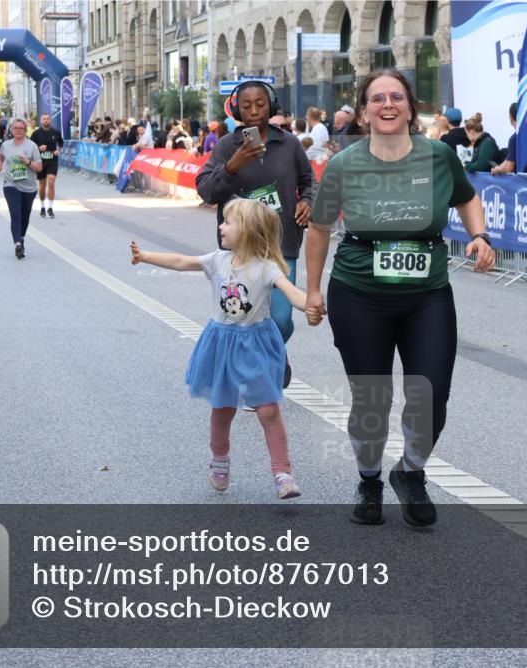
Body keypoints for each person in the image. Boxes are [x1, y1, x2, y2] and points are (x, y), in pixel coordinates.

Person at [305, 69, 495, 528]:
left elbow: (467, 198)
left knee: (432, 395)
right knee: (372, 399)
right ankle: (369, 480)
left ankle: (410, 472)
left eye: (396, 97)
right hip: (359, 293)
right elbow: (319, 228)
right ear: (364, 111)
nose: (387, 104)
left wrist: (480, 236)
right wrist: (311, 290)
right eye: (377, 98)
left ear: (410, 107)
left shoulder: (438, 156)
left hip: (427, 294)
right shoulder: (345, 164)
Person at [129, 198, 314, 499]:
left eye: (228, 222)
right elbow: (181, 262)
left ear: (249, 230)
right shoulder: (218, 260)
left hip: (256, 345)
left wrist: (312, 305)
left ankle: (282, 473)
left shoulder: (266, 267)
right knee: (223, 408)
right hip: (222, 344)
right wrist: (145, 256)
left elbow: (292, 293)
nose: (221, 226)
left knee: (268, 409)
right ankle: (219, 461)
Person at [196, 81, 315, 389]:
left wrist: (307, 201)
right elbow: (206, 190)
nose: (253, 111)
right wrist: (233, 165)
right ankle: (258, 376)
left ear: (271, 105)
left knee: (281, 319)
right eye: (246, 106)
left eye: (260, 104)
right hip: (241, 251)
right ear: (236, 110)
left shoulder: (289, 144)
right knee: (246, 319)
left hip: (281, 244)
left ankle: (273, 351)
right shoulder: (226, 146)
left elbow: (308, 181)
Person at [0, 118, 43, 259]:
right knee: (15, 214)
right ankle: (18, 244)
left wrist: (27, 162)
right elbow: (0, 156)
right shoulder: (6, 145)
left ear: (25, 130)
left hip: (29, 187)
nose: (18, 130)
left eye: (21, 128)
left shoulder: (32, 146)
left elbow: (39, 167)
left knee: (24, 217)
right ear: (11, 130)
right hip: (11, 184)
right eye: (16, 128)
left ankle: (21, 238)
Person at [491, 102, 527, 176]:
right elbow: (509, 159)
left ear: (511, 118)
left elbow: (509, 167)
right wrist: (499, 167)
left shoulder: (515, 139)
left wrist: (499, 170)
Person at [30, 113, 64, 219]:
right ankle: (42, 206)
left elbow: (61, 142)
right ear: (41, 121)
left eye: (48, 119)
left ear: (50, 120)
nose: (46, 121)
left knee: (51, 182)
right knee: (42, 185)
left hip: (52, 160)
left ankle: (50, 207)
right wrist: (39, 148)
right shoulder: (36, 133)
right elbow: (30, 146)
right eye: (44, 119)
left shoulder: (56, 132)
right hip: (40, 161)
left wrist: (58, 150)